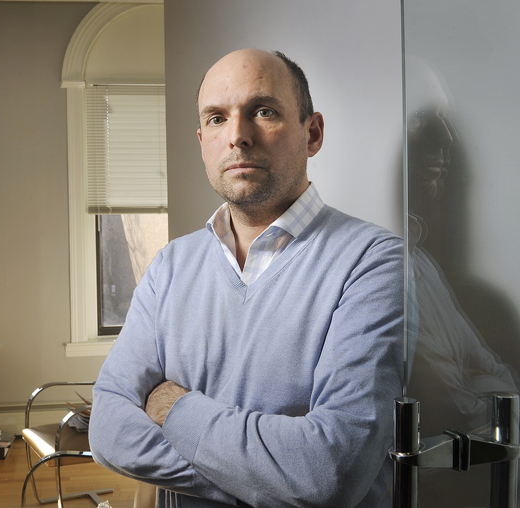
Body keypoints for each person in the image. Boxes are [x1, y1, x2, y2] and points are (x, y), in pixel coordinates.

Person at [89, 48, 404, 508]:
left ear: (312, 133)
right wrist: (271, 481)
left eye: (263, 111)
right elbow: (109, 431)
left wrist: (174, 407)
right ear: (202, 140)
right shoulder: (170, 267)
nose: (237, 136)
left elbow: (329, 470)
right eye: (217, 118)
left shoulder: (372, 262)